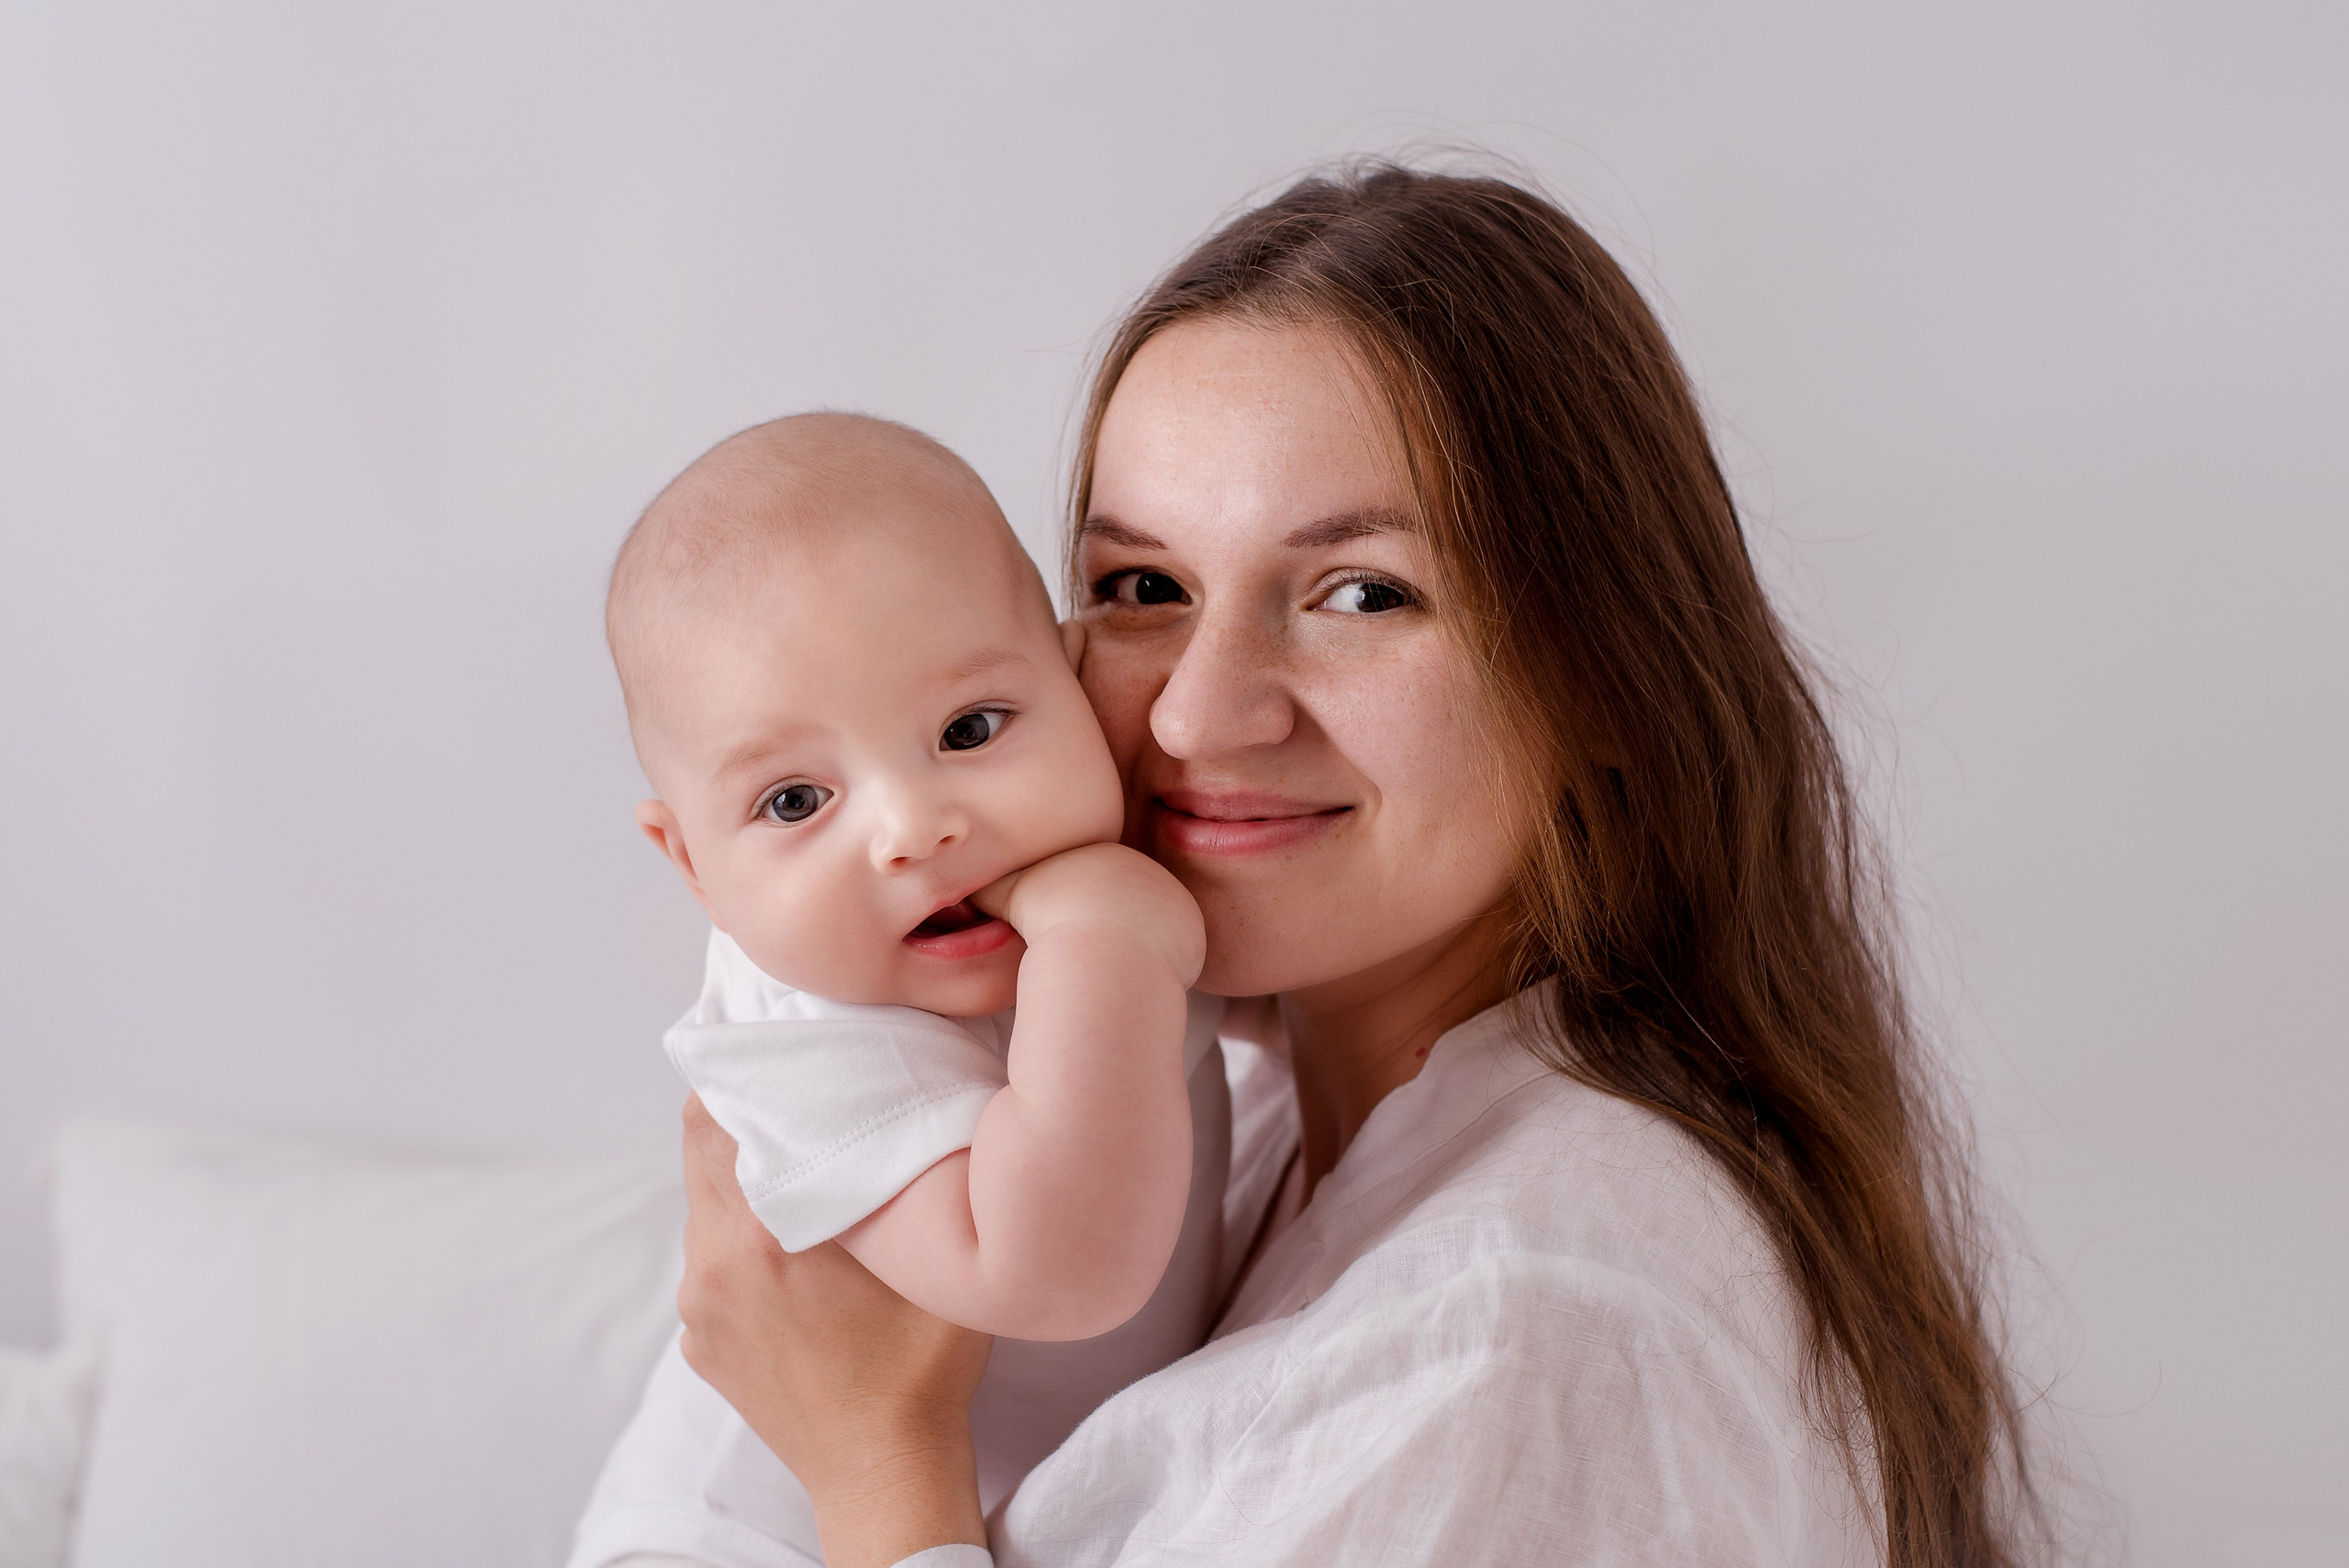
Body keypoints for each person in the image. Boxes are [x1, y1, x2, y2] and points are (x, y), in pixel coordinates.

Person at [663, 164, 2047, 1568]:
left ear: (1607, 683)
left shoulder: (1515, 1332)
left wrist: (875, 1457)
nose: (1201, 714)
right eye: (1144, 589)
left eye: (1361, 595)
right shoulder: (1240, 1103)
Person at [573, 415, 1233, 1568]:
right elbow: (1059, 1269)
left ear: (1081, 686)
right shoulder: (811, 1042)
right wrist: (1106, 950)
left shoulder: (1079, 881)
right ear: (691, 866)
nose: (911, 826)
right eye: (793, 801)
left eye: (969, 728)